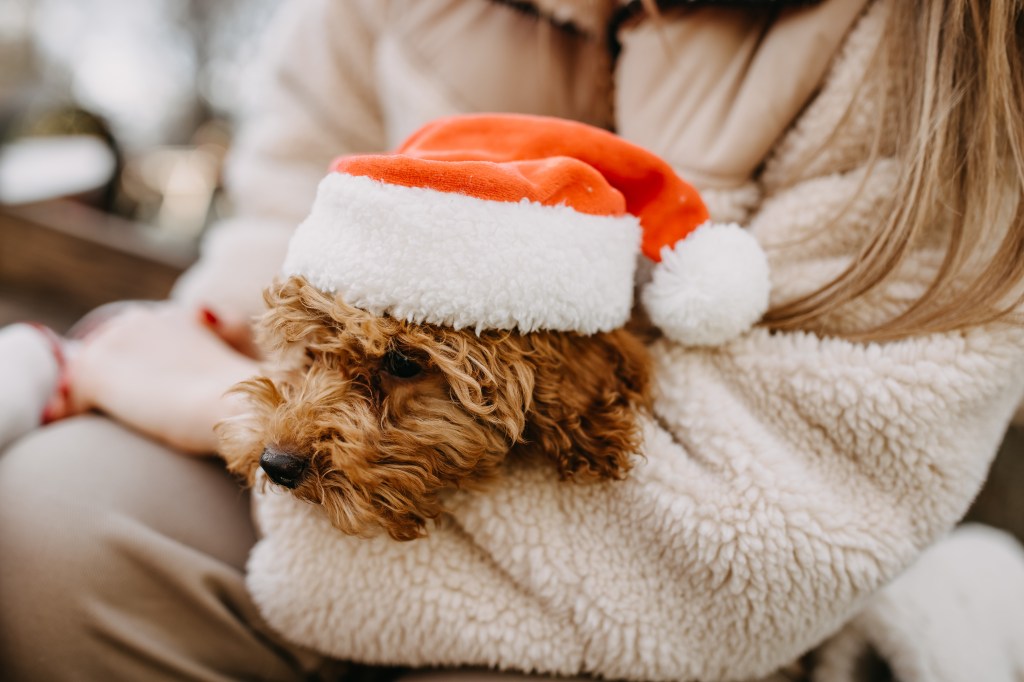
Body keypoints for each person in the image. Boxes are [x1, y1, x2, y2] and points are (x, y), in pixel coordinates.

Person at [2, 0, 1024, 680]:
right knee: (53, 518)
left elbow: (787, 511)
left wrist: (202, 401)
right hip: (438, 462)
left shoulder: (936, 40)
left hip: (701, 538)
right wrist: (221, 351)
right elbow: (291, 210)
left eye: (403, 371)